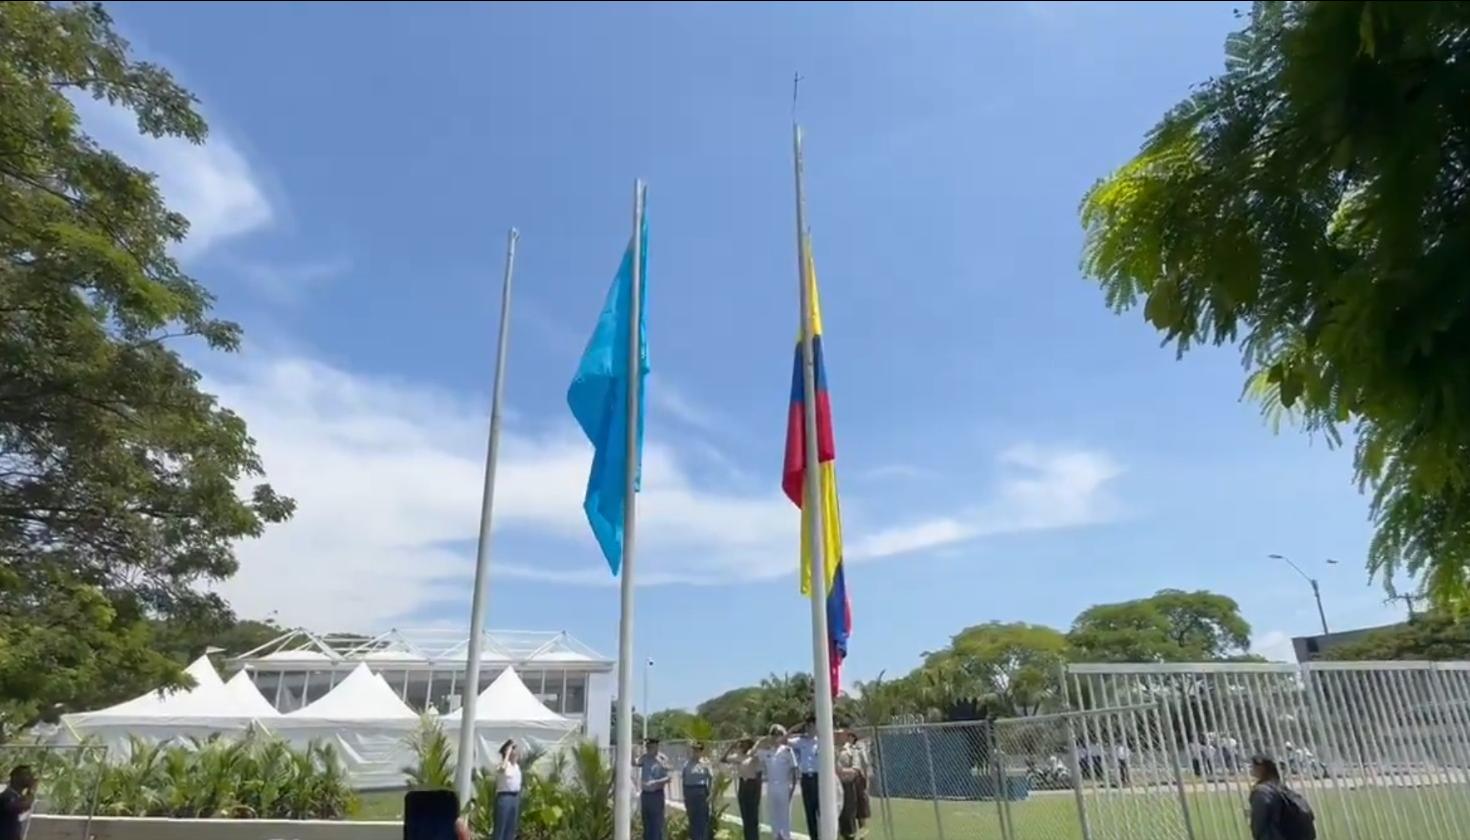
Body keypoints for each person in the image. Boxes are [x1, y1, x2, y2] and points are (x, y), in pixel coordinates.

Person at [1248, 754, 1316, 840]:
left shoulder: (1262, 791)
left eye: (1254, 766)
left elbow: (1258, 822)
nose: (1252, 768)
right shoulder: (1281, 787)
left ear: (1261, 768)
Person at [759, 725, 798, 840]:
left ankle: (786, 837)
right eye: (773, 735)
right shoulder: (766, 752)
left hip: (784, 785)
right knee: (773, 816)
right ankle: (776, 837)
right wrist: (764, 741)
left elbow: (794, 769)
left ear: (782, 736)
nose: (776, 737)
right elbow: (754, 752)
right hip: (771, 786)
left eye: (779, 735)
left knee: (784, 816)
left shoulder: (787, 750)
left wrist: (793, 787)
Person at [722, 737, 762, 840]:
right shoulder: (738, 756)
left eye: (744, 742)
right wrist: (731, 747)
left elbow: (758, 776)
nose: (742, 744)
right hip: (743, 786)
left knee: (753, 818)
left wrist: (757, 793)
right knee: (745, 817)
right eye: (741, 742)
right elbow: (723, 759)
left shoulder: (754, 756)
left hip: (752, 785)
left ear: (749, 743)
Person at [790, 716, 821, 840]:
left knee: (822, 811)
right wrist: (796, 727)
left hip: (818, 778)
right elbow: (783, 740)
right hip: (806, 779)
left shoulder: (821, 741)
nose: (810, 729)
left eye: (812, 726)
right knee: (810, 812)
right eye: (808, 726)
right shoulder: (800, 741)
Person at [637, 737, 672, 840]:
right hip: (645, 795)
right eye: (647, 747)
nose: (648, 749)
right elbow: (634, 763)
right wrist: (634, 748)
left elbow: (669, 777)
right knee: (646, 825)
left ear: (656, 746)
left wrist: (655, 782)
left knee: (656, 826)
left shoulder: (662, 759)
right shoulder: (644, 758)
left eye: (650, 747)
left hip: (656, 795)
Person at [682, 742, 714, 840]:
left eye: (698, 750)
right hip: (689, 792)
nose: (695, 752)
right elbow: (683, 780)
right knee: (692, 819)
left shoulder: (705, 763)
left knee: (702, 820)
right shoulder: (687, 764)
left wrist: (710, 793)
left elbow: (711, 778)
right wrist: (684, 795)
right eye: (694, 750)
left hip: (701, 792)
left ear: (701, 751)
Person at [491, 740, 522, 840]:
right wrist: (507, 753)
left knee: (511, 828)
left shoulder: (517, 767)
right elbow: (502, 769)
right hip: (504, 797)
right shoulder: (502, 765)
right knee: (501, 827)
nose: (516, 752)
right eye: (513, 750)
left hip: (515, 797)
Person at [836, 730, 861, 840]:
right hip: (834, 787)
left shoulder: (851, 751)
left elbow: (855, 770)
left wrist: (840, 771)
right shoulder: (830, 749)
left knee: (848, 816)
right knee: (836, 816)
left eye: (840, 734)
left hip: (847, 786)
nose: (838, 736)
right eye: (836, 734)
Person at [0, 766, 35, 840]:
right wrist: (31, 790)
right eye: (27, 774)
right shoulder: (7, 796)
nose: (31, 777)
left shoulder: (17, 796)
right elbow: (22, 806)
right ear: (15, 777)